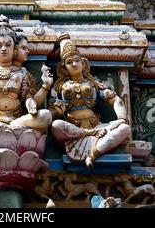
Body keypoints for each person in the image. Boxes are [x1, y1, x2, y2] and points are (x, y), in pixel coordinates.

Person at [49, 33, 130, 168]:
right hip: (75, 131)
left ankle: (93, 154)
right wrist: (57, 110)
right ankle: (90, 137)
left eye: (77, 60)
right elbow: (53, 112)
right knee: (56, 125)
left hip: (98, 127)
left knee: (125, 129)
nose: (74, 64)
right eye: (69, 62)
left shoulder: (94, 84)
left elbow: (116, 99)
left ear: (83, 62)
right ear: (64, 68)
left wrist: (121, 118)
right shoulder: (59, 86)